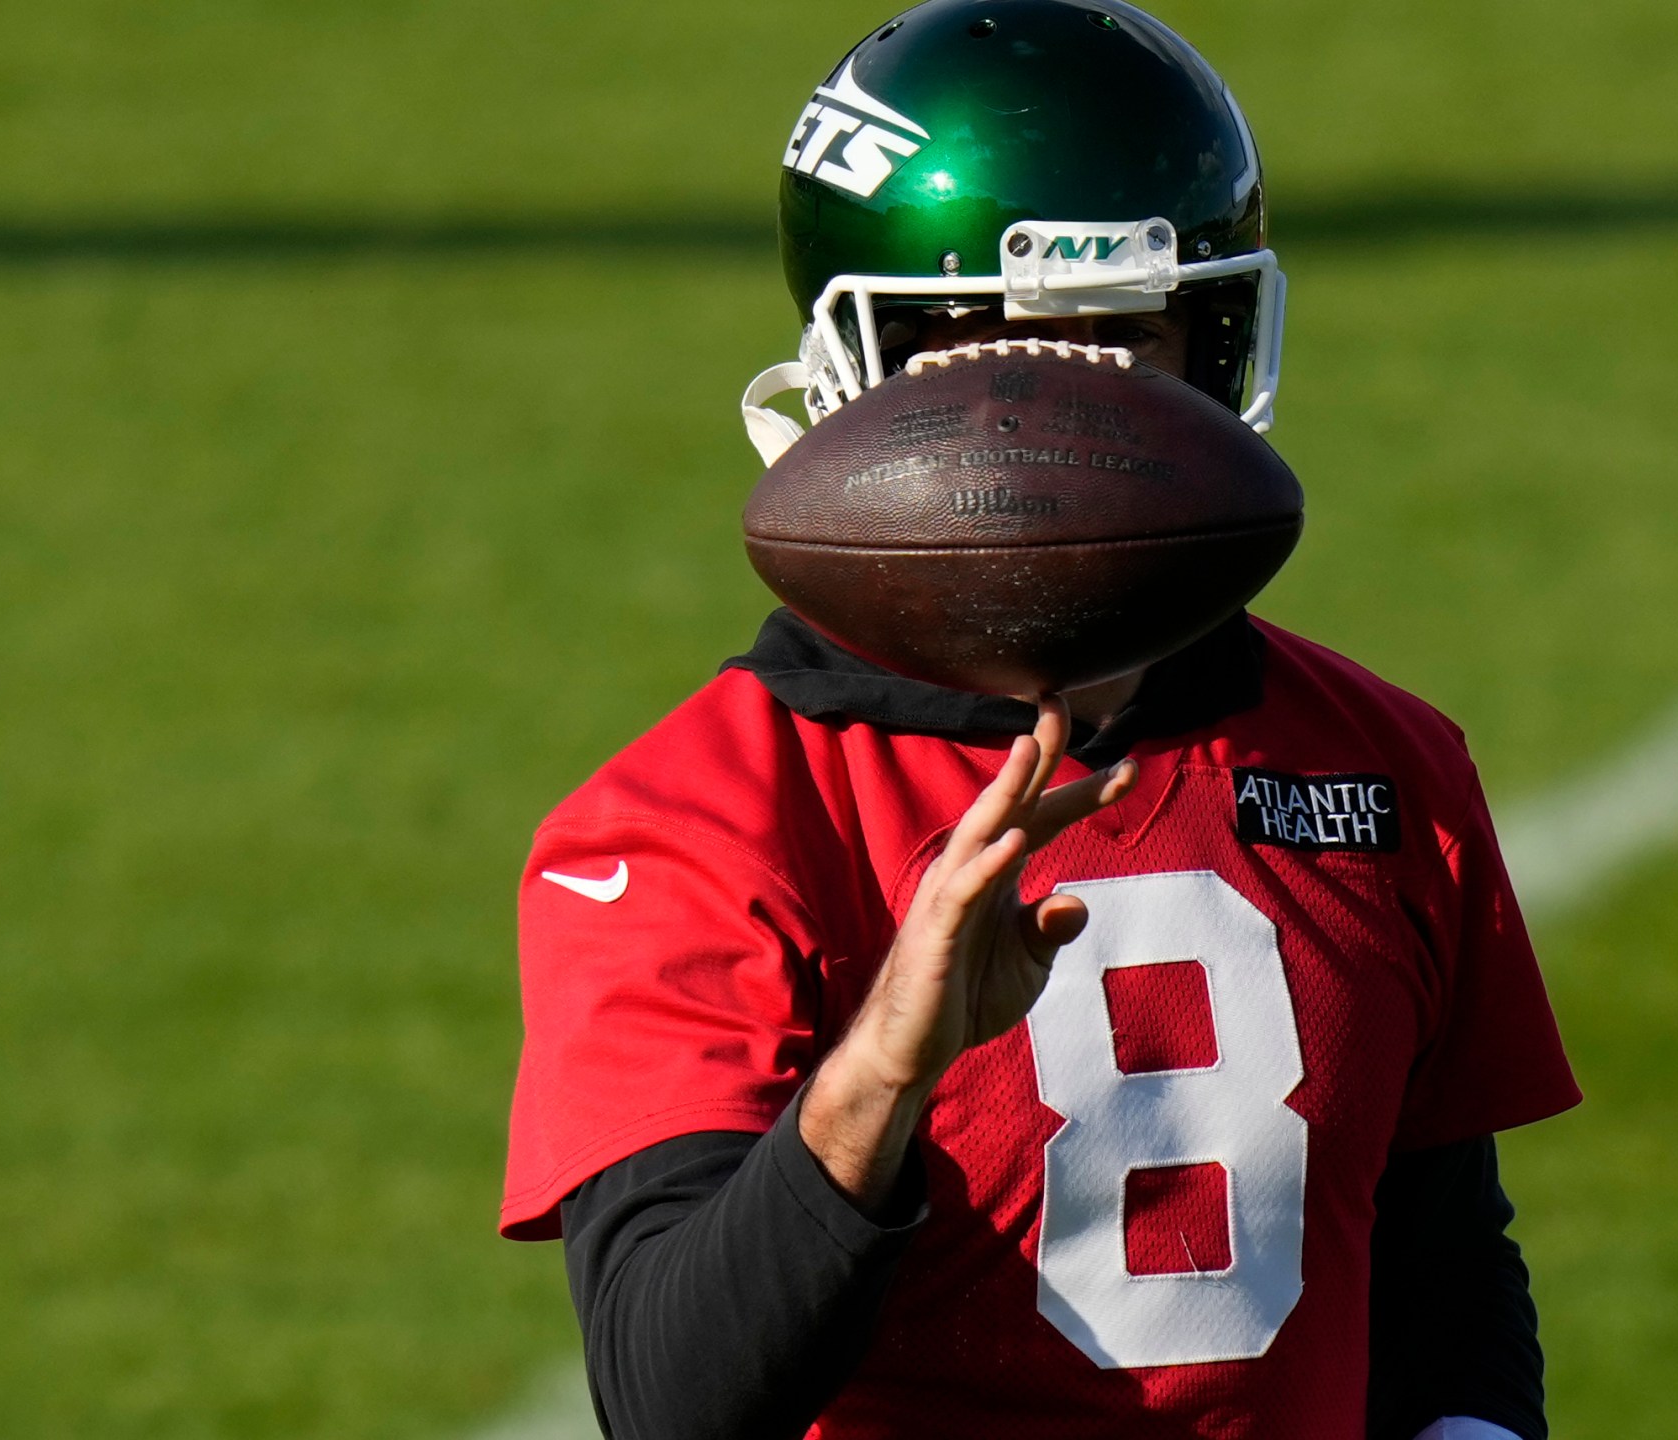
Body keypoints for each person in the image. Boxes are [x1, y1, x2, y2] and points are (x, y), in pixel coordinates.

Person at [499, 4, 1580, 1437]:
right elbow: (670, 1398)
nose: (1067, 431)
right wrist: (883, 1067)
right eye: (994, 363)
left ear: (1218, 347)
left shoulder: (1383, 760)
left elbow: (1438, 1255)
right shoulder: (688, 823)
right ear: (855, 381)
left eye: (1122, 342)